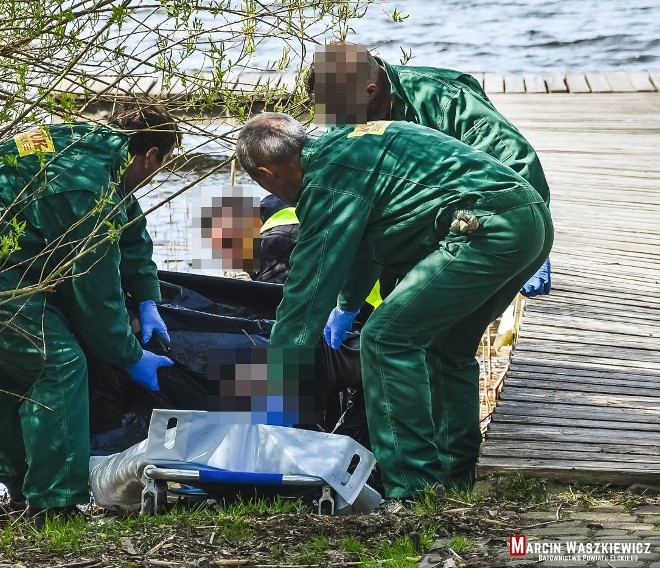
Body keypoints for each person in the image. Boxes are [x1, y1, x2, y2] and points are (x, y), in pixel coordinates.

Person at [235, 113, 553, 501]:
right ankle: (455, 483)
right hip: (530, 218)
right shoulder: (353, 140)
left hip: (483, 230)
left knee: (385, 340)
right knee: (446, 350)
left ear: (266, 174)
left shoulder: (327, 183)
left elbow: (306, 292)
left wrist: (280, 382)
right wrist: (348, 305)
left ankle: (411, 491)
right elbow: (367, 245)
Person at [0, 105, 180, 521]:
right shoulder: (87, 188)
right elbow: (95, 292)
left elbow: (128, 225)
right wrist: (130, 355)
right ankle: (54, 505)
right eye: (160, 168)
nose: (153, 177)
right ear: (152, 155)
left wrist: (146, 296)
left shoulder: (90, 146)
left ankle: (21, 491)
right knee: (57, 364)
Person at [307, 42, 552, 302]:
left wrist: (533, 247)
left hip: (474, 214)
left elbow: (517, 161)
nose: (334, 122)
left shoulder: (447, 99)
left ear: (369, 92)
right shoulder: (343, 112)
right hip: (405, 225)